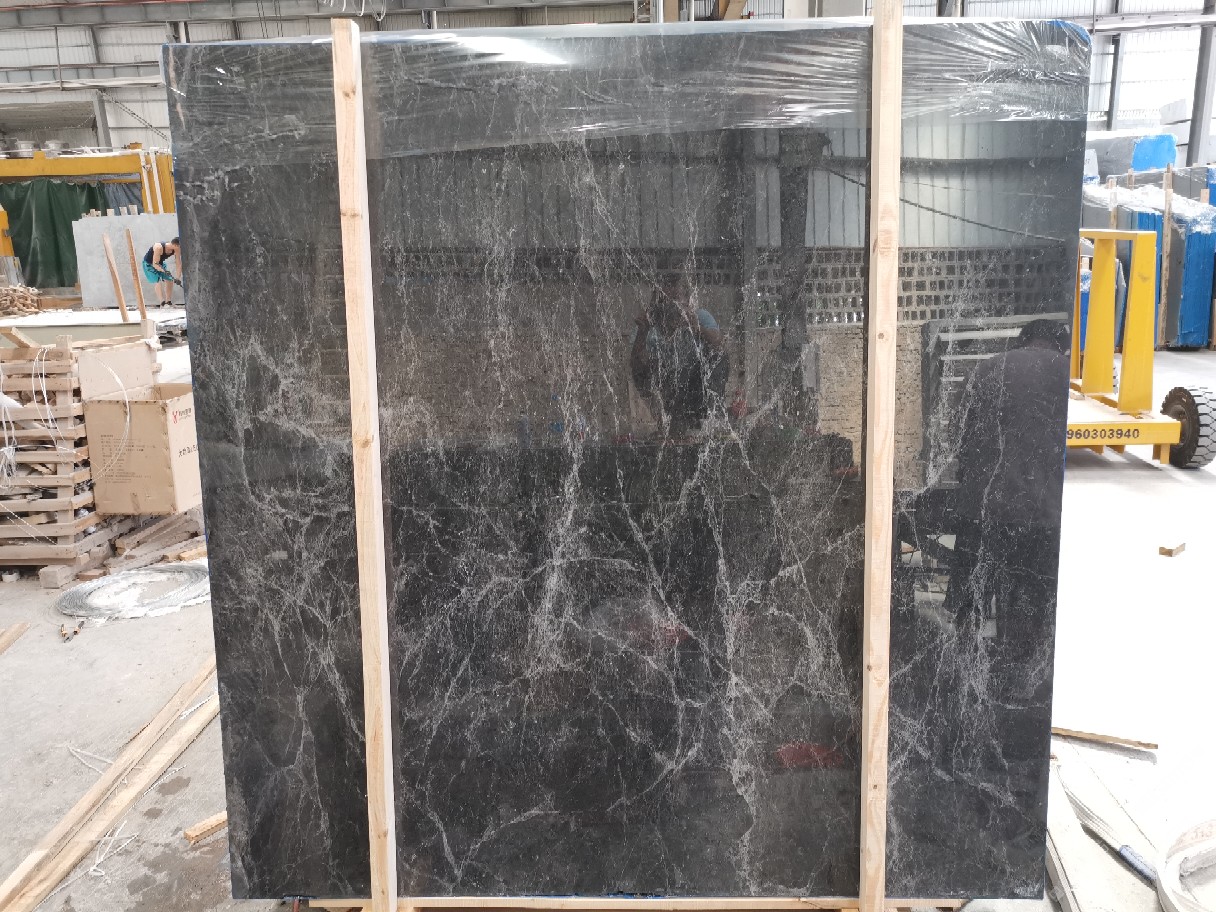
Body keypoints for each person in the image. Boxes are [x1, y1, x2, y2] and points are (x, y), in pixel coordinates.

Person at [629, 276, 728, 437]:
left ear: (687, 303)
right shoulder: (648, 328)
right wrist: (642, 331)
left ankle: (711, 418)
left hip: (696, 385)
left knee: (718, 355)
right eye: (664, 300)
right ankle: (666, 423)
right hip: (667, 388)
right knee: (642, 367)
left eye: (676, 301)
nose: (670, 306)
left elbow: (720, 345)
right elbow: (637, 367)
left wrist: (697, 328)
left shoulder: (699, 317)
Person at [142, 237, 182, 306]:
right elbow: (155, 264)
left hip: (160, 263)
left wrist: (178, 277)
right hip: (149, 264)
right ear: (176, 245)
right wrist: (164, 271)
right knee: (157, 280)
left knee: (169, 280)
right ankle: (162, 302)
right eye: (180, 247)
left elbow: (178, 263)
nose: (181, 249)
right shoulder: (159, 247)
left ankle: (168, 301)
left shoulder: (176, 249)